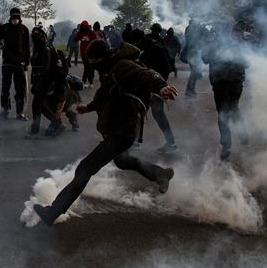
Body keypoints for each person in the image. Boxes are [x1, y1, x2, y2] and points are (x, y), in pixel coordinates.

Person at [33, 39, 177, 226]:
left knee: (84, 169)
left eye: (93, 62)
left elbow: (146, 74)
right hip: (120, 130)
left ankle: (53, 212)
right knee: (123, 161)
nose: (92, 66)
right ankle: (160, 174)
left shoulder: (123, 65)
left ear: (102, 57)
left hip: (122, 131)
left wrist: (161, 86)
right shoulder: (110, 70)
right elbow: (104, 94)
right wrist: (89, 107)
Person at [202, 22, 249, 160]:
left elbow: (204, 59)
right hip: (235, 83)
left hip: (221, 83)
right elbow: (247, 63)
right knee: (234, 108)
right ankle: (242, 134)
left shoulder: (213, 44)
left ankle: (226, 146)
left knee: (223, 114)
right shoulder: (238, 44)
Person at [138, 23, 178, 153]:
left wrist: (157, 85)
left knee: (141, 112)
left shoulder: (152, 46)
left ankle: (135, 143)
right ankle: (171, 143)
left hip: (152, 86)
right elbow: (168, 66)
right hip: (156, 84)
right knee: (155, 114)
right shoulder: (160, 44)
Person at [28, 26, 68, 137]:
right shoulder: (38, 50)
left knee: (37, 105)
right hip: (42, 82)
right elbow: (37, 68)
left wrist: (41, 85)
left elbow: (45, 71)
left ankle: (36, 130)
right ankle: (56, 123)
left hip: (46, 82)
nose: (34, 40)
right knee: (39, 106)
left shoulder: (45, 50)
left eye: (36, 37)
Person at [0, 8, 30, 120]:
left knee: (20, 89)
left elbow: (27, 48)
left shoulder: (24, 29)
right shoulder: (4, 28)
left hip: (19, 64)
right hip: (7, 63)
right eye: (13, 17)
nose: (15, 19)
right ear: (10, 17)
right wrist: (1, 46)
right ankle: (5, 111)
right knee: (5, 89)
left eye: (17, 17)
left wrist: (26, 62)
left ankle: (19, 113)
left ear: (20, 17)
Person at [181, 19, 204, 97]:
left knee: (194, 73)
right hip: (193, 52)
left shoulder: (189, 28)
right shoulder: (191, 29)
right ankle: (189, 91)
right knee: (194, 73)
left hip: (192, 52)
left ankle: (191, 90)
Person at [73, 20, 101, 86]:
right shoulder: (80, 33)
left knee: (87, 67)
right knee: (87, 67)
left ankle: (86, 81)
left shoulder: (90, 33)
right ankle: (87, 81)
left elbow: (96, 40)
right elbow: (75, 39)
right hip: (83, 53)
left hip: (89, 53)